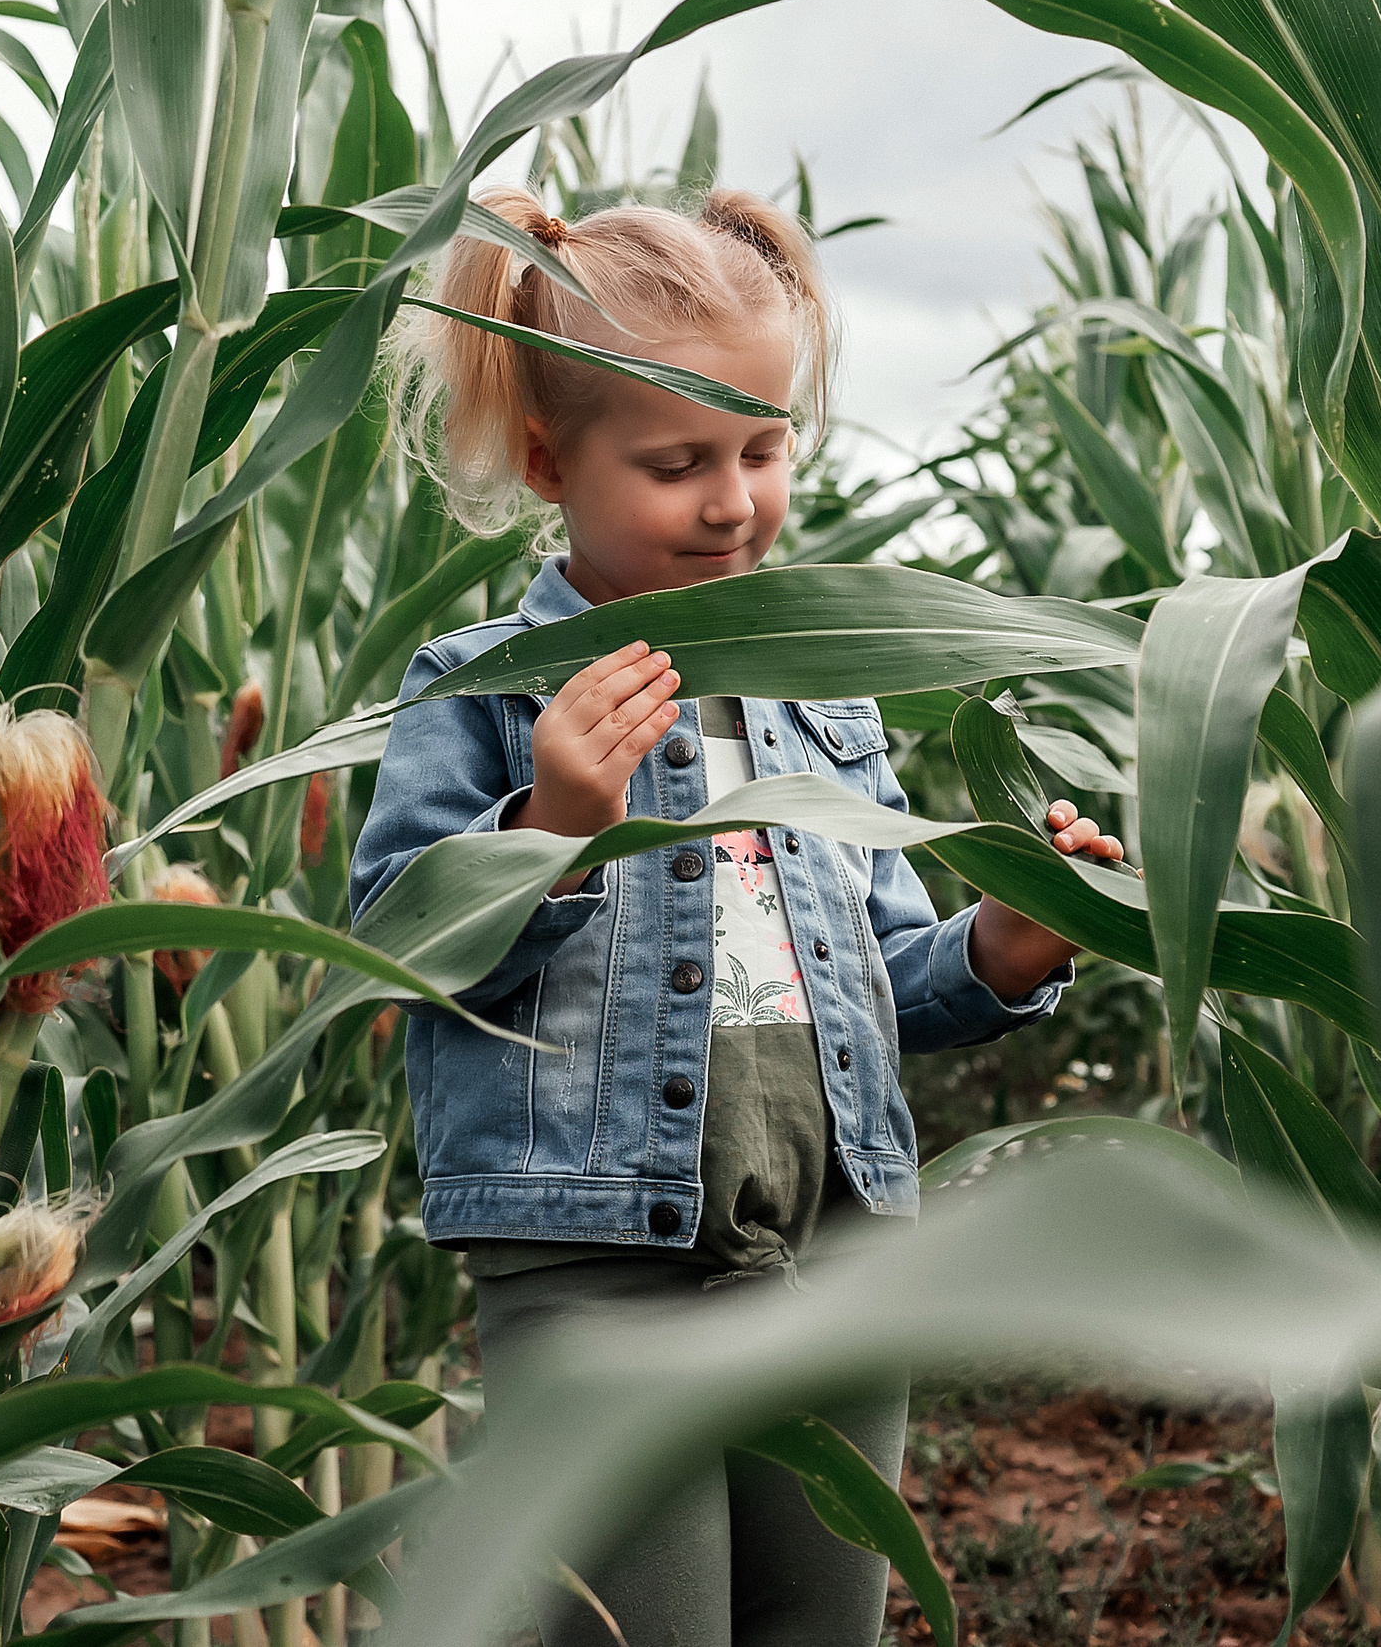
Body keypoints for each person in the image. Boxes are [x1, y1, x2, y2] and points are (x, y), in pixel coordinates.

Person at [349, 185, 1125, 1647]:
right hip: (597, 1273)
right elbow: (395, 951)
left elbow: (882, 983)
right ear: (546, 459)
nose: (733, 499)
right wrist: (552, 825)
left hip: (831, 1252)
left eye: (763, 448)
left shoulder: (819, 691)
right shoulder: (487, 688)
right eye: (676, 461)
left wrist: (1010, 941)